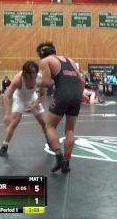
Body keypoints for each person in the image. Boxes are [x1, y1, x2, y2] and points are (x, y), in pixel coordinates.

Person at [37, 42, 84, 173]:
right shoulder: (70, 60)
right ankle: (67, 163)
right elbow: (82, 80)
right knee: (70, 130)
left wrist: (39, 83)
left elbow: (46, 83)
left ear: (41, 54)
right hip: (76, 95)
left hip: (63, 94)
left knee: (49, 126)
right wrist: (80, 94)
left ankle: (59, 158)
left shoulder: (45, 61)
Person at [0, 61, 49, 157]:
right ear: (24, 73)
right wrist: (7, 114)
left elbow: (43, 95)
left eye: (34, 74)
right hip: (19, 98)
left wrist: (35, 104)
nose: (32, 77)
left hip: (32, 98)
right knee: (14, 121)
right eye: (30, 74)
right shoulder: (18, 80)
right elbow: (7, 96)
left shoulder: (39, 79)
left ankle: (49, 141)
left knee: (44, 121)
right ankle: (4, 146)